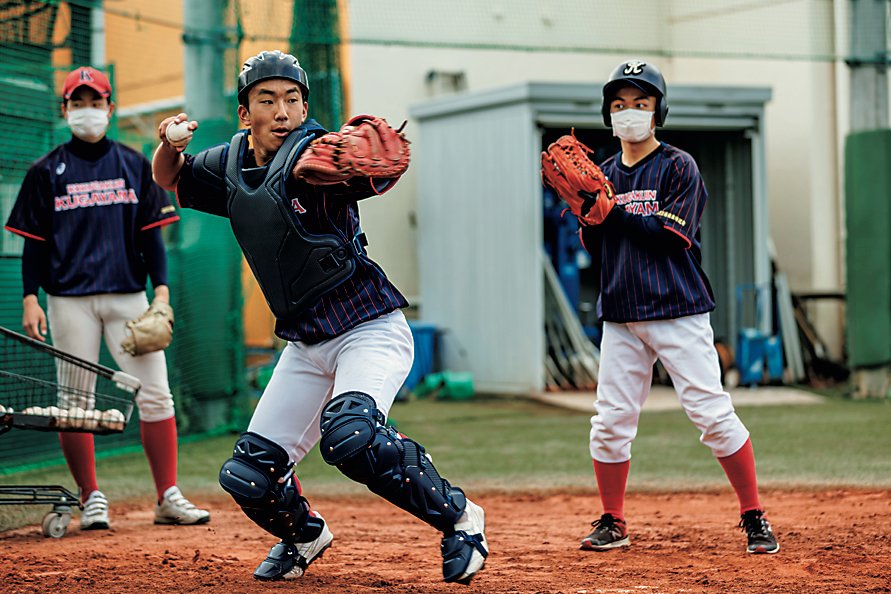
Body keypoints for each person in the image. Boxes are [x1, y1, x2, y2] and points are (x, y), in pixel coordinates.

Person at [151, 50, 488, 584]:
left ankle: (462, 520)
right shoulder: (231, 162)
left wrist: (368, 172)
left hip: (368, 328)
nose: (282, 109)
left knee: (351, 436)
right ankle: (304, 536)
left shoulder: (317, 155)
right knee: (249, 475)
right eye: (267, 99)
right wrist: (168, 145)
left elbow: (369, 174)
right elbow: (172, 178)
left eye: (292, 98)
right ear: (245, 114)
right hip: (307, 344)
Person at [570, 60, 779, 554]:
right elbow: (594, 247)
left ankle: (754, 516)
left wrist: (611, 210)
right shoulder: (599, 174)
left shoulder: (678, 166)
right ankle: (613, 520)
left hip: (678, 309)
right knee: (610, 420)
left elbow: (671, 235)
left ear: (658, 111)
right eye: (619, 105)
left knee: (711, 413)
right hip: (620, 312)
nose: (629, 113)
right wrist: (588, 215)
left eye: (640, 104)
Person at [4, 66, 210, 529]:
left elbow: (151, 235)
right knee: (75, 401)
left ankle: (167, 496)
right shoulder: (45, 171)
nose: (87, 111)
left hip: (128, 298)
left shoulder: (133, 163)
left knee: (155, 395)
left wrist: (161, 291)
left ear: (110, 108)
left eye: (95, 101)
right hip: (68, 301)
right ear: (65, 110)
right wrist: (28, 298)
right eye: (78, 103)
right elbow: (33, 243)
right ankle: (91, 496)